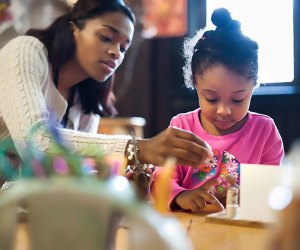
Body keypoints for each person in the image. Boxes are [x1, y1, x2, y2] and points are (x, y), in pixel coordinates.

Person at [0, 0, 213, 186]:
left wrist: (114, 176)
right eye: (106, 37)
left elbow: (69, 170)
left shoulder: (88, 98)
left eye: (123, 48)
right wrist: (137, 149)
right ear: (74, 28)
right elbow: (35, 141)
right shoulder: (25, 51)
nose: (115, 53)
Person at [151, 8, 284, 212]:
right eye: (211, 98)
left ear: (254, 85)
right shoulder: (182, 126)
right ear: (195, 83)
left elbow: (272, 189)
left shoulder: (264, 131)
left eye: (238, 99)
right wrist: (181, 196)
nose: (224, 111)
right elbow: (161, 179)